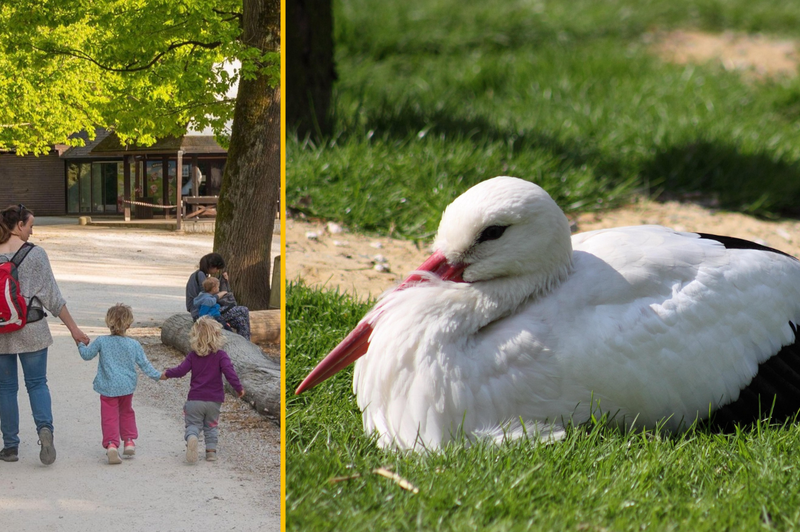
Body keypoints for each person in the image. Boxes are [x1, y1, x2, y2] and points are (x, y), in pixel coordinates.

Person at [0, 204, 90, 464]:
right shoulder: (36, 255)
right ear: (19, 226)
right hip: (33, 328)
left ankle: (10, 446)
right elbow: (53, 298)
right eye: (30, 226)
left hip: (2, 331)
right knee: (37, 384)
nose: (31, 231)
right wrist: (74, 329)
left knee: (6, 388)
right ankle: (45, 431)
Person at [78, 303, 162, 464]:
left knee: (109, 417)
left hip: (108, 386)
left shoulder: (101, 341)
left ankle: (111, 444)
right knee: (126, 412)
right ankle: (129, 440)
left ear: (108, 322)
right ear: (128, 325)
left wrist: (80, 344)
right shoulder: (133, 344)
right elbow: (145, 364)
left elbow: (87, 355)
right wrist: (158, 376)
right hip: (126, 386)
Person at [161, 317, 244, 463]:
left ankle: (192, 438)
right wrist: (238, 388)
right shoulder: (221, 356)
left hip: (195, 400)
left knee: (193, 424)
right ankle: (211, 452)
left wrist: (167, 373)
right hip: (214, 401)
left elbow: (181, 371)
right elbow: (230, 372)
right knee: (211, 425)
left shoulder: (193, 356)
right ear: (217, 336)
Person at [185, 252, 251, 340]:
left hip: (202, 310)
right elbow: (209, 296)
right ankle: (245, 341)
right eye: (217, 268)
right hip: (202, 313)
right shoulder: (200, 275)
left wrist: (224, 281)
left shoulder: (200, 274)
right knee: (243, 310)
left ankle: (243, 341)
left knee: (240, 320)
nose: (217, 271)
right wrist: (222, 292)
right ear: (212, 266)